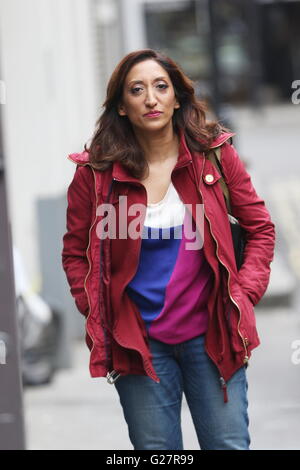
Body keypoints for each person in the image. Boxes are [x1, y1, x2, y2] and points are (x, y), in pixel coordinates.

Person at [61, 49, 275, 450]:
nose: (151, 98)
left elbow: (260, 229)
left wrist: (242, 295)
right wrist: (96, 307)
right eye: (136, 90)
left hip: (212, 335)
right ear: (122, 107)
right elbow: (76, 252)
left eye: (161, 87)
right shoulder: (96, 175)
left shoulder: (213, 155)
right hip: (137, 344)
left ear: (177, 97)